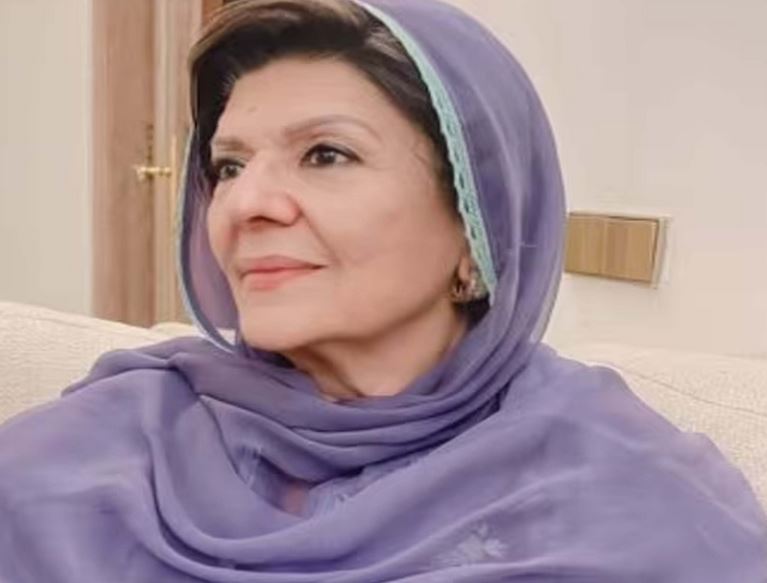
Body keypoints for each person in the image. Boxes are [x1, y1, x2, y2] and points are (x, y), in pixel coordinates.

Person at [1, 0, 765, 580]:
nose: (243, 204)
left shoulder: (626, 484)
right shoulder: (107, 438)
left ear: (476, 230)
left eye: (325, 154)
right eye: (228, 166)